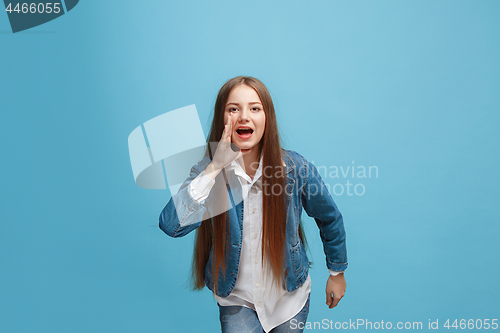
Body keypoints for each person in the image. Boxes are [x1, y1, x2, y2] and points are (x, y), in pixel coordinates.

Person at [159, 76, 348, 333]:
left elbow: (329, 217)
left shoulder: (296, 169)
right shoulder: (208, 171)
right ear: (221, 118)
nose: (244, 117)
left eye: (254, 108)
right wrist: (215, 168)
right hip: (237, 299)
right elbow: (172, 225)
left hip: (289, 298)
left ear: (267, 118)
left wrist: (336, 273)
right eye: (233, 109)